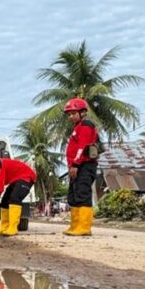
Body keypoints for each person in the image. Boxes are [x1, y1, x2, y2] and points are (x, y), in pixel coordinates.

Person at [63, 98, 99, 237]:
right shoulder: (77, 127)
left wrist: (76, 164)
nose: (70, 117)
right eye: (69, 114)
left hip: (84, 165)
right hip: (77, 166)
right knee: (74, 195)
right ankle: (75, 226)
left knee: (82, 194)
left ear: (83, 112)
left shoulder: (86, 125)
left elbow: (82, 146)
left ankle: (84, 227)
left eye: (73, 113)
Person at [0, 157, 37, 236]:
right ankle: (4, 226)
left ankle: (13, 228)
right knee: (5, 201)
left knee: (14, 198)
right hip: (15, 179)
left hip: (26, 176)